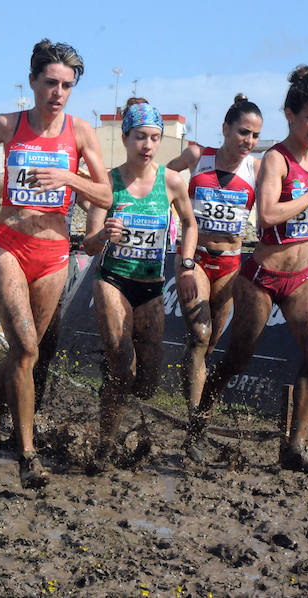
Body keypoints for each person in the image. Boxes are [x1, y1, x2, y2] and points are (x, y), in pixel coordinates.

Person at [0, 39, 112, 488]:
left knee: (25, 351)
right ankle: (27, 456)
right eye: (50, 83)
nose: (58, 93)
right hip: (9, 245)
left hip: (54, 256)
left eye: (67, 85)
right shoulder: (9, 124)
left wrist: (68, 177)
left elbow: (105, 195)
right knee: (25, 347)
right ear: (33, 82)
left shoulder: (81, 133)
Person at [186, 66, 308, 473]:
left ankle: (295, 447)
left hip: (303, 277)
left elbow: (307, 193)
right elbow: (268, 215)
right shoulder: (274, 158)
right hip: (262, 277)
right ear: (290, 116)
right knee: (236, 359)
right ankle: (197, 426)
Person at [82, 99, 197, 472]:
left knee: (146, 381)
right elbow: (88, 244)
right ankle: (104, 445)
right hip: (113, 279)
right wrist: (104, 233)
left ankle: (111, 397)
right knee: (122, 364)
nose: (147, 145)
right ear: (126, 138)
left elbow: (190, 225)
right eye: (140, 137)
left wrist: (188, 263)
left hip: (151, 284)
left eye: (154, 138)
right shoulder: (108, 183)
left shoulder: (172, 181)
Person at [166, 95, 264, 435]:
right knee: (199, 334)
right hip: (194, 258)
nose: (248, 142)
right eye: (242, 132)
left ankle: (199, 417)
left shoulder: (257, 168)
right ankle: (196, 427)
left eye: (254, 136)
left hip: (231, 264)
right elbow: (162, 176)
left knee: (208, 346)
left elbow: (288, 193)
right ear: (225, 128)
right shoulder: (198, 156)